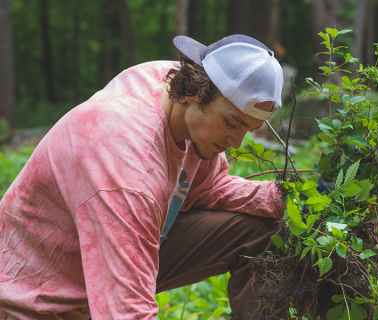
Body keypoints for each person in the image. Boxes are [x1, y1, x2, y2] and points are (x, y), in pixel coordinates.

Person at [0, 34, 287, 319]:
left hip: (105, 256)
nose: (236, 142)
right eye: (231, 123)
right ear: (194, 91)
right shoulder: (128, 168)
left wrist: (287, 198)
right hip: (36, 303)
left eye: (247, 130)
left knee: (266, 232)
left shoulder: (168, 84)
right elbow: (127, 313)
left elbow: (206, 188)